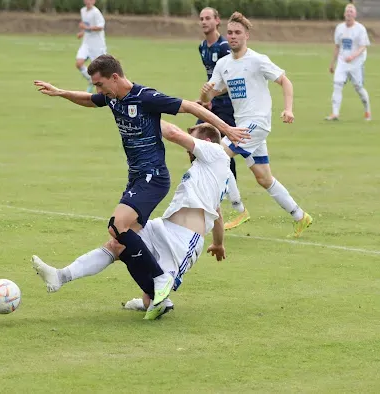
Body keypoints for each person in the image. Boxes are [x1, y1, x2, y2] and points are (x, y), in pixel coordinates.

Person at [34, 54, 248, 309]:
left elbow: (189, 109)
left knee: (117, 225)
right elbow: (90, 100)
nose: (98, 90)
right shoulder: (112, 98)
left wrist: (227, 129)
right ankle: (62, 277)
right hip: (143, 187)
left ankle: (159, 280)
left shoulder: (146, 98)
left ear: (114, 78)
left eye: (100, 84)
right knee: (118, 245)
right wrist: (61, 93)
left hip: (153, 177)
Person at [32, 121, 230, 320]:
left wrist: (140, 113)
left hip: (183, 240)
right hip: (163, 227)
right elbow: (217, 211)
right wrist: (219, 243)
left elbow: (173, 133)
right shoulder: (209, 170)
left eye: (193, 135)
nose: (189, 146)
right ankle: (60, 277)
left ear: (206, 141)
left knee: (150, 300)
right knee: (117, 243)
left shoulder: (215, 152)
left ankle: (157, 298)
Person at [201, 12, 312, 238]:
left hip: (258, 123)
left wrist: (288, 109)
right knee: (264, 178)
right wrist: (204, 94)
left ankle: (239, 209)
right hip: (243, 125)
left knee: (217, 155)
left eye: (238, 33)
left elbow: (285, 81)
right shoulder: (223, 64)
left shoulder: (257, 60)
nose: (233, 37)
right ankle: (300, 216)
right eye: (230, 33)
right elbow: (210, 96)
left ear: (247, 36)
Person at [197, 6, 249, 230]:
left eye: (208, 18)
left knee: (222, 153)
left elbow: (232, 77)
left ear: (217, 21)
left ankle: (227, 200)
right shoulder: (202, 47)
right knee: (197, 142)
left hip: (227, 107)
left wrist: (213, 94)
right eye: (201, 19)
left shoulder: (225, 46)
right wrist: (205, 98)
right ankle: (214, 194)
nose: (204, 22)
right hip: (213, 103)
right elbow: (212, 79)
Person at [326, 3, 371, 121]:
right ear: (344, 14)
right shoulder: (339, 28)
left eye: (351, 11)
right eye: (347, 11)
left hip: (357, 63)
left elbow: (363, 46)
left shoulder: (360, 29)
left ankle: (367, 111)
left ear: (355, 14)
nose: (349, 13)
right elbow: (337, 46)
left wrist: (353, 56)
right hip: (342, 62)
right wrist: (332, 63)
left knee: (359, 88)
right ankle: (335, 114)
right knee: (337, 84)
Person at [76, 0, 107, 93]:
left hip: (97, 45)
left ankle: (103, 91)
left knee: (100, 70)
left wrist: (86, 28)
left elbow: (101, 27)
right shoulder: (83, 11)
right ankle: (91, 80)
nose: (88, 1)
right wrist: (82, 32)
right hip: (86, 43)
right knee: (79, 63)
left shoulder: (96, 12)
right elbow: (85, 24)